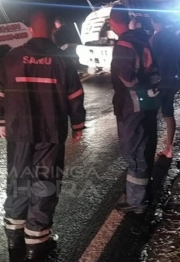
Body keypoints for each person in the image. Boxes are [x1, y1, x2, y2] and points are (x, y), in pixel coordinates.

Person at [0, 11, 86, 260]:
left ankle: (14, 240)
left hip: (19, 134)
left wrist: (2, 121)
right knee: (44, 185)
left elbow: (2, 95)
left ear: (29, 29)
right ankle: (36, 244)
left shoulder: (12, 57)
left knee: (18, 181)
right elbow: (75, 96)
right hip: (50, 134)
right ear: (52, 30)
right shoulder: (62, 59)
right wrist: (77, 126)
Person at [110, 5, 160, 214]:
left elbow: (127, 78)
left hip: (132, 106)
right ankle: (140, 194)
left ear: (113, 21)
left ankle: (138, 203)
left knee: (134, 151)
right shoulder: (142, 39)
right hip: (148, 102)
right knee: (145, 146)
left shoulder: (124, 44)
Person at [150, 14, 180, 159]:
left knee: (151, 115)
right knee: (168, 113)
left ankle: (149, 148)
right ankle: (169, 148)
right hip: (173, 79)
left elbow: (151, 60)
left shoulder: (156, 38)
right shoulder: (174, 36)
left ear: (154, 22)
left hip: (160, 81)